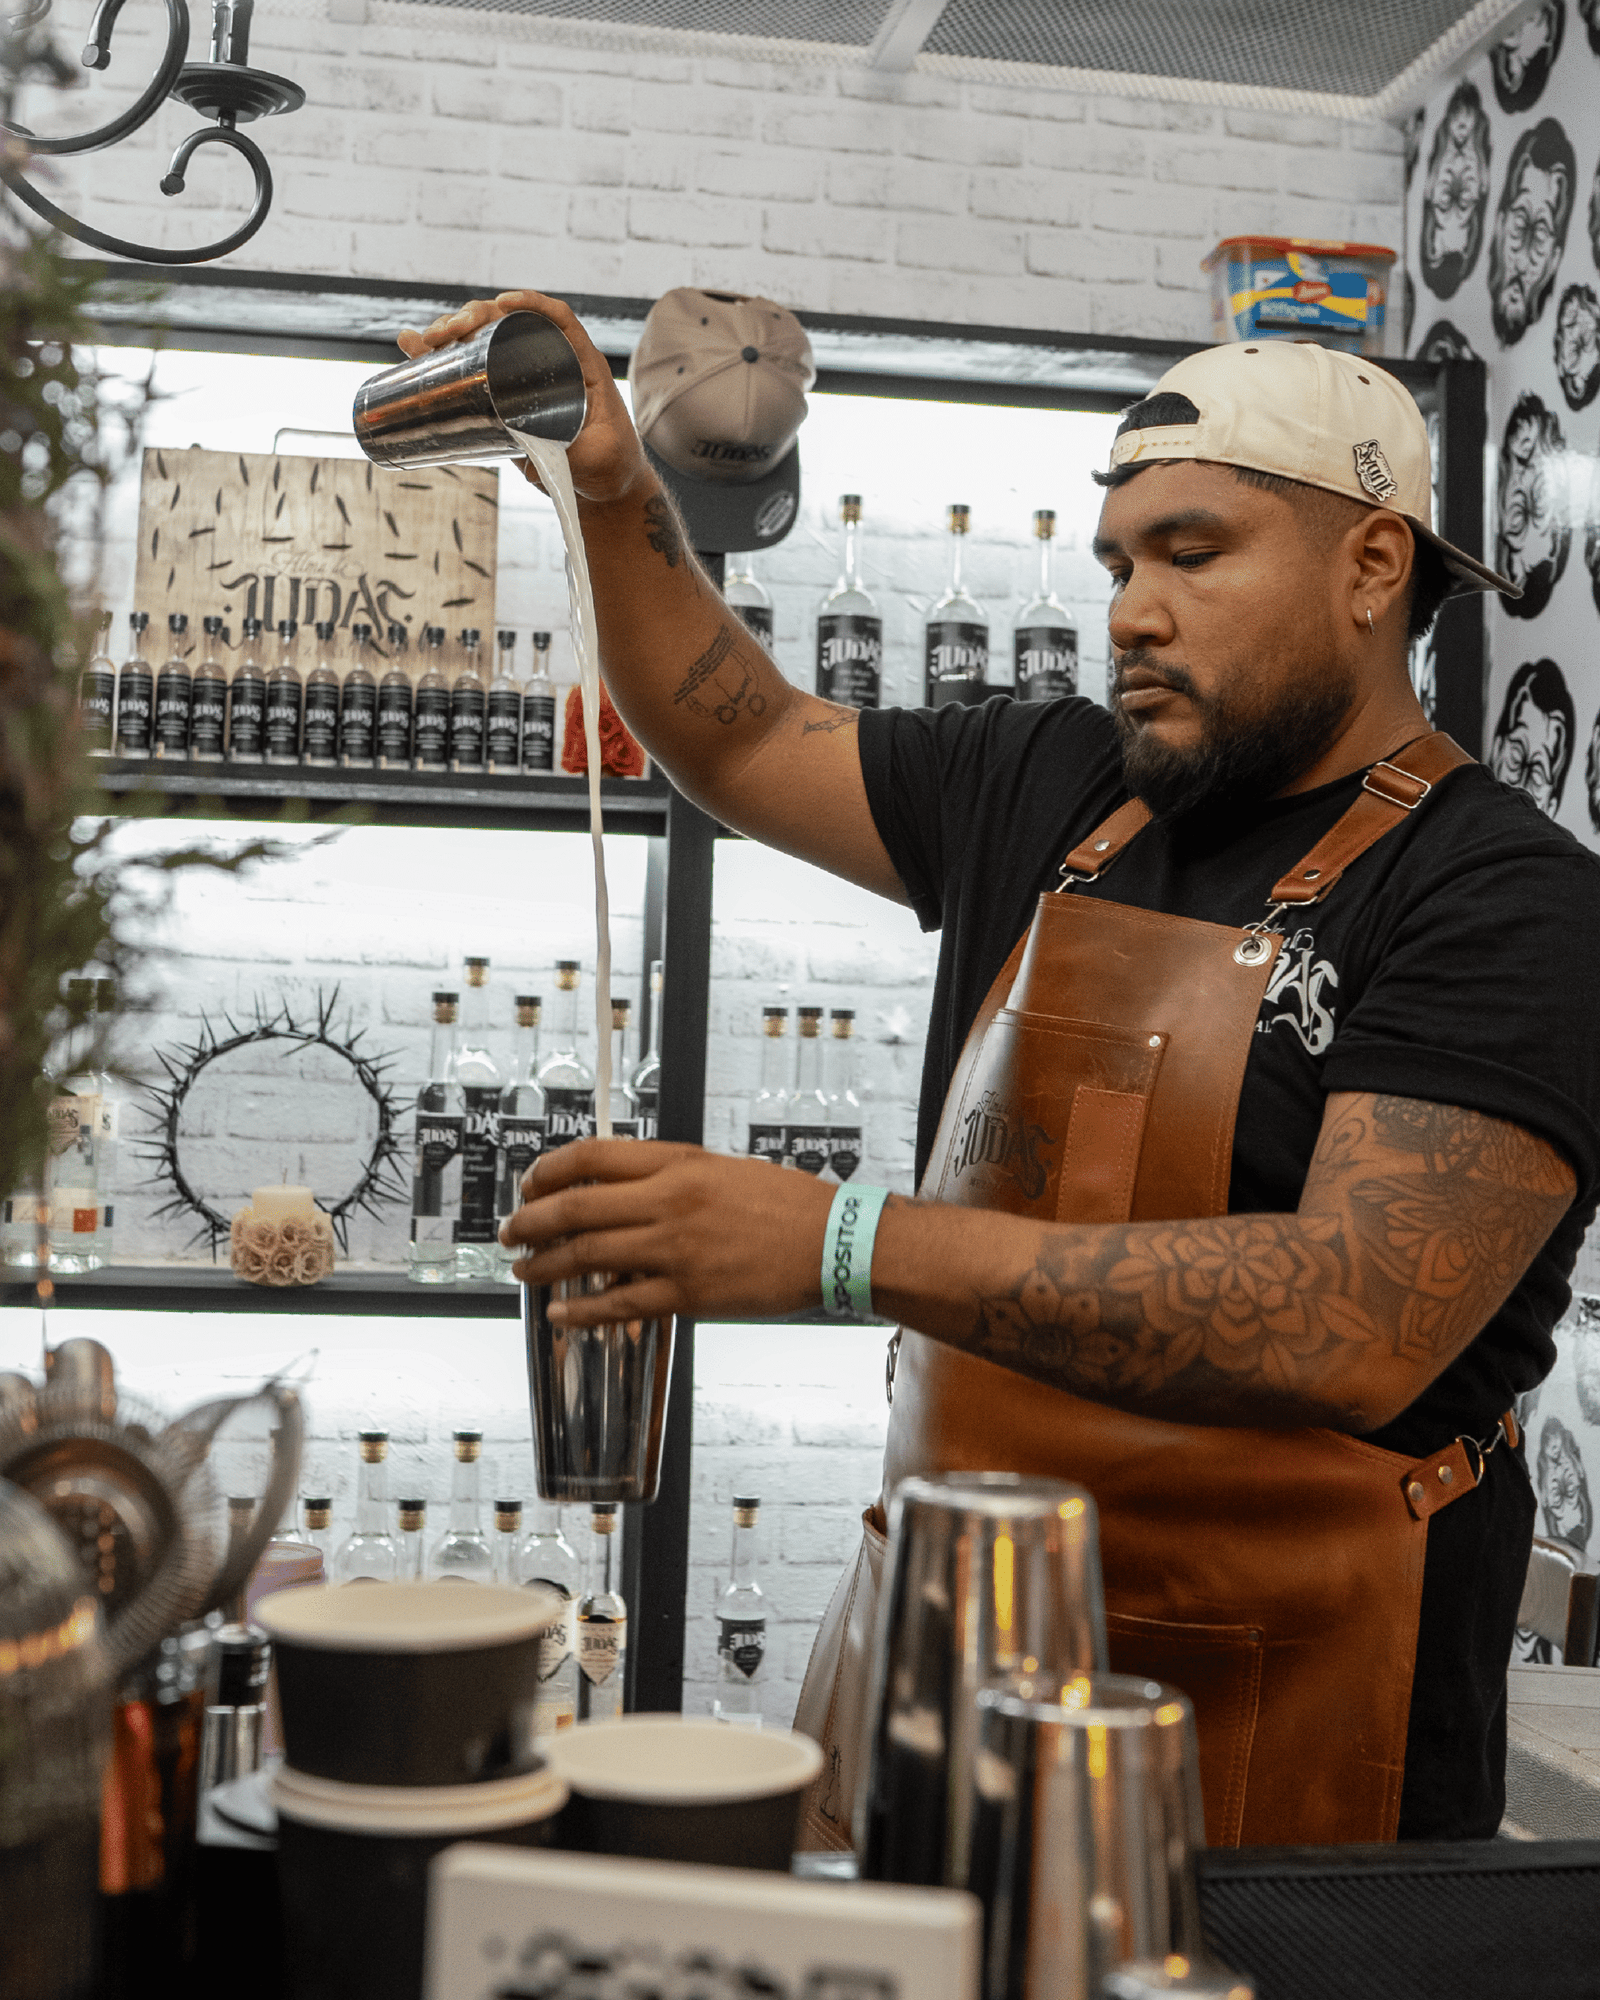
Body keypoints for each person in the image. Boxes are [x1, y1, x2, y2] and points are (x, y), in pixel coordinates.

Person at [409, 296, 1600, 1846]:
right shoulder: (1056, 781)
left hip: (1279, 1730)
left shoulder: (1502, 893)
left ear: (1374, 567)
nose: (1129, 614)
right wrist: (614, 487)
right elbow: (744, 734)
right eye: (1118, 565)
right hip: (945, 1651)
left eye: (1193, 553)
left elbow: (1350, 1318)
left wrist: (841, 1245)